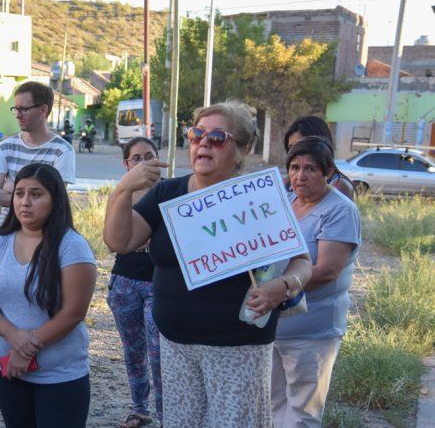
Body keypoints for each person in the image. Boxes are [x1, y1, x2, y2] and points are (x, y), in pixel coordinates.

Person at [103, 101, 313, 428]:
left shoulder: (257, 197)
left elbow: (302, 262)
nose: (203, 142)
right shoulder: (166, 194)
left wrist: (283, 286)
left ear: (242, 149)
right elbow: (120, 241)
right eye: (197, 134)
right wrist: (123, 188)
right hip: (176, 346)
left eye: (217, 137)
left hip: (237, 349)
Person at [0, 163, 97, 428]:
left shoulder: (72, 246)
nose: (25, 202)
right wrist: (13, 336)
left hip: (60, 376)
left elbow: (74, 311)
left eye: (36, 194)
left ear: (55, 199)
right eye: (19, 194)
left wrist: (27, 350)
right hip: (7, 371)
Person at [271, 137, 361, 428]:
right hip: (275, 325)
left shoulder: (340, 210)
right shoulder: (287, 202)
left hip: (312, 332)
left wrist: (277, 288)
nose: (300, 175)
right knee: (274, 405)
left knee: (302, 415)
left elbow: (325, 271)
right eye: (294, 167)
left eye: (310, 168)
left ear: (328, 172)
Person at [108, 137, 162, 428]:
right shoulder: (121, 195)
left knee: (158, 354)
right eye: (136, 158)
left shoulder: (169, 192)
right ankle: (140, 409)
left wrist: (135, 240)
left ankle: (167, 414)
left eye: (148, 156)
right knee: (133, 352)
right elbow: (112, 241)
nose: (142, 163)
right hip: (125, 282)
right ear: (126, 164)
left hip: (159, 284)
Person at [0, 81, 75, 208]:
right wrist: (36, 195)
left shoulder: (62, 151)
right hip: (7, 227)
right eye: (16, 109)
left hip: (44, 228)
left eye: (23, 109)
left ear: (43, 110)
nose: (17, 115)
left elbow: (55, 201)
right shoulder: (6, 147)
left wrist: (11, 187)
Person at [283, 116, 354, 200]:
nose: (295, 152)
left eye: (302, 145)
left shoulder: (339, 187)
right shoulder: (287, 181)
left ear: (319, 144)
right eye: (291, 147)